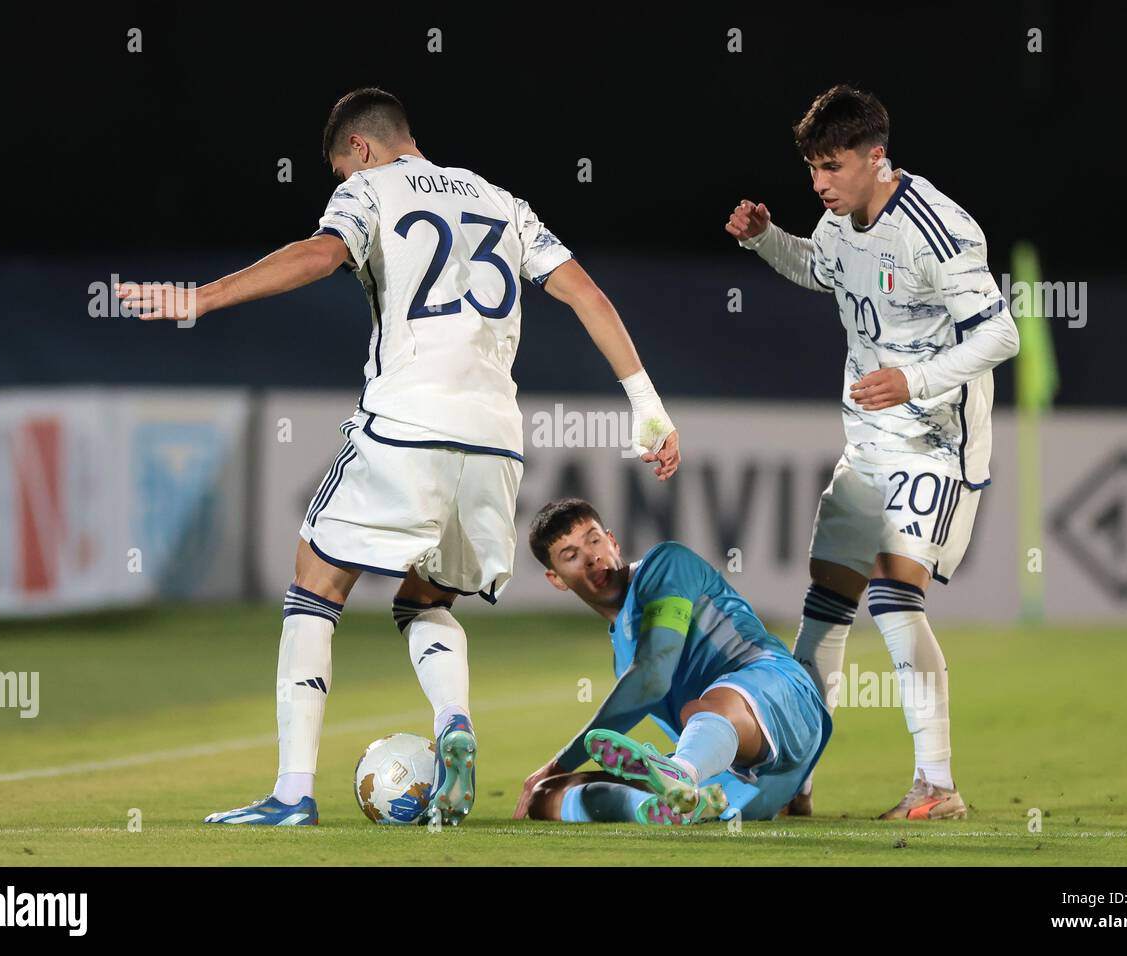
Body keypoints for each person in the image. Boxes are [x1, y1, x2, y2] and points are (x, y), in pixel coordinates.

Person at [118, 87, 680, 826]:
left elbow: (321, 254)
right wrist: (648, 407)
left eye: (339, 176)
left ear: (360, 149)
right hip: (495, 438)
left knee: (314, 583)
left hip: (408, 421)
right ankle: (453, 722)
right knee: (425, 597)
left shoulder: (371, 190)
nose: (341, 189)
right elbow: (587, 295)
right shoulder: (502, 201)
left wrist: (205, 298)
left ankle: (292, 793)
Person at [726, 84, 1020, 819]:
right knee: (826, 604)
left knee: (893, 597)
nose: (819, 184)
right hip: (868, 437)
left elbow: (1000, 335)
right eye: (811, 170)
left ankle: (938, 785)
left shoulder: (938, 229)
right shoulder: (837, 221)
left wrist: (914, 378)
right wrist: (767, 239)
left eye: (831, 167)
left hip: (934, 437)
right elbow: (819, 272)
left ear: (875, 156)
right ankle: (793, 777)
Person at [514, 498, 829, 825]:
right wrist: (554, 775)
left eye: (594, 540)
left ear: (613, 541)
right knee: (547, 796)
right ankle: (664, 806)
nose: (592, 557)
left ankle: (679, 775)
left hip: (786, 699)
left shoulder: (666, 565)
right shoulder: (623, 659)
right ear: (557, 580)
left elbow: (652, 677)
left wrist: (562, 761)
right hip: (749, 784)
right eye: (571, 555)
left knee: (705, 707)